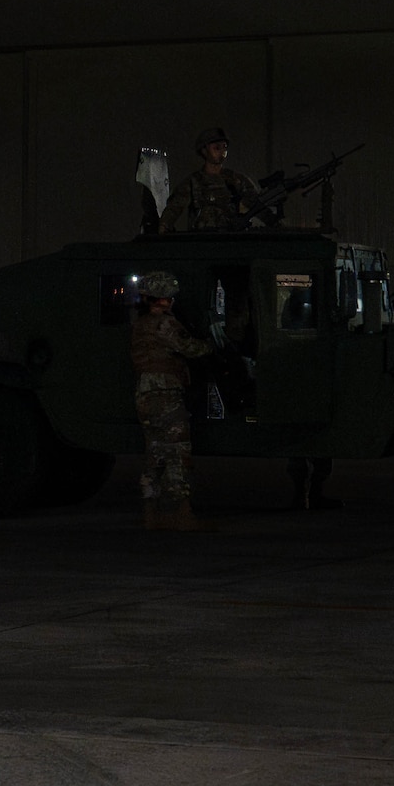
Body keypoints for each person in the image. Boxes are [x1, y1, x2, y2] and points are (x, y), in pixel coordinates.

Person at [131, 271, 213, 531]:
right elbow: (191, 348)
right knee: (178, 452)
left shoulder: (140, 324)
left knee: (154, 453)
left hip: (145, 393)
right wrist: (213, 344)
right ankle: (183, 514)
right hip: (165, 393)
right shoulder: (165, 324)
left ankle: (151, 514)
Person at [161, 127, 262, 232]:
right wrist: (164, 226)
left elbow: (258, 205)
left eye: (225, 147)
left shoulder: (237, 180)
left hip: (231, 237)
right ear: (204, 150)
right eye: (217, 148)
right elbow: (174, 208)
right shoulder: (193, 182)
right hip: (202, 238)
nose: (222, 151)